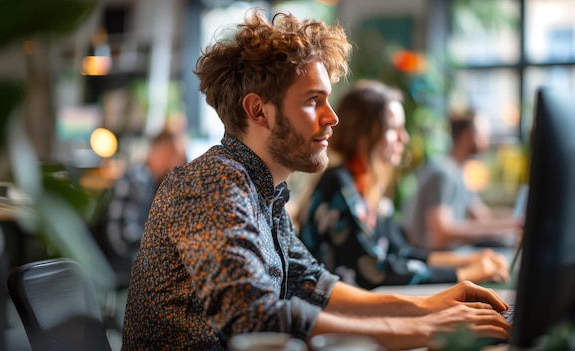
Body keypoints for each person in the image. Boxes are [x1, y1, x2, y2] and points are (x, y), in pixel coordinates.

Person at [121, 10, 511, 351]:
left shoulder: (263, 192)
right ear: (259, 110)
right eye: (313, 100)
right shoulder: (212, 183)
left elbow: (314, 286)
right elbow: (255, 321)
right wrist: (421, 329)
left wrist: (431, 306)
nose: (332, 117)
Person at [297, 80, 510, 290]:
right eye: (394, 128)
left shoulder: (372, 189)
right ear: (364, 135)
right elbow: (374, 270)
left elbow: (401, 252)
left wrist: (468, 260)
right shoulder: (339, 183)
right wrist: (464, 274)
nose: (404, 137)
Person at [400, 107, 522, 251]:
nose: (488, 140)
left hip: (449, 254)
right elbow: (442, 233)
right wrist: (504, 230)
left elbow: (483, 217)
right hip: (430, 259)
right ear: (466, 137)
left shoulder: (460, 174)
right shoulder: (443, 173)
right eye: (484, 134)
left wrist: (517, 222)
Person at [101, 129, 187, 281]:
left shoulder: (149, 182)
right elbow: (121, 236)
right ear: (166, 152)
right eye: (179, 156)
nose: (181, 164)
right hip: (121, 268)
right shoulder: (139, 179)